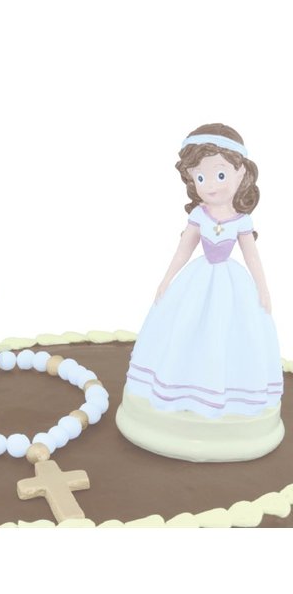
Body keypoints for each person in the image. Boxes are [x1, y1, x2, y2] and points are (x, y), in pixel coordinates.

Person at [124, 123, 283, 420]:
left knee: (228, 332)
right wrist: (166, 279)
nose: (210, 184)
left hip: (231, 285)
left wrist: (263, 288)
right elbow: (183, 250)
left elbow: (252, 257)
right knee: (186, 326)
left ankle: (225, 390)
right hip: (197, 281)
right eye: (200, 176)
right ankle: (181, 383)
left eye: (219, 174)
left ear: (241, 173)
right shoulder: (199, 215)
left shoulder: (241, 220)